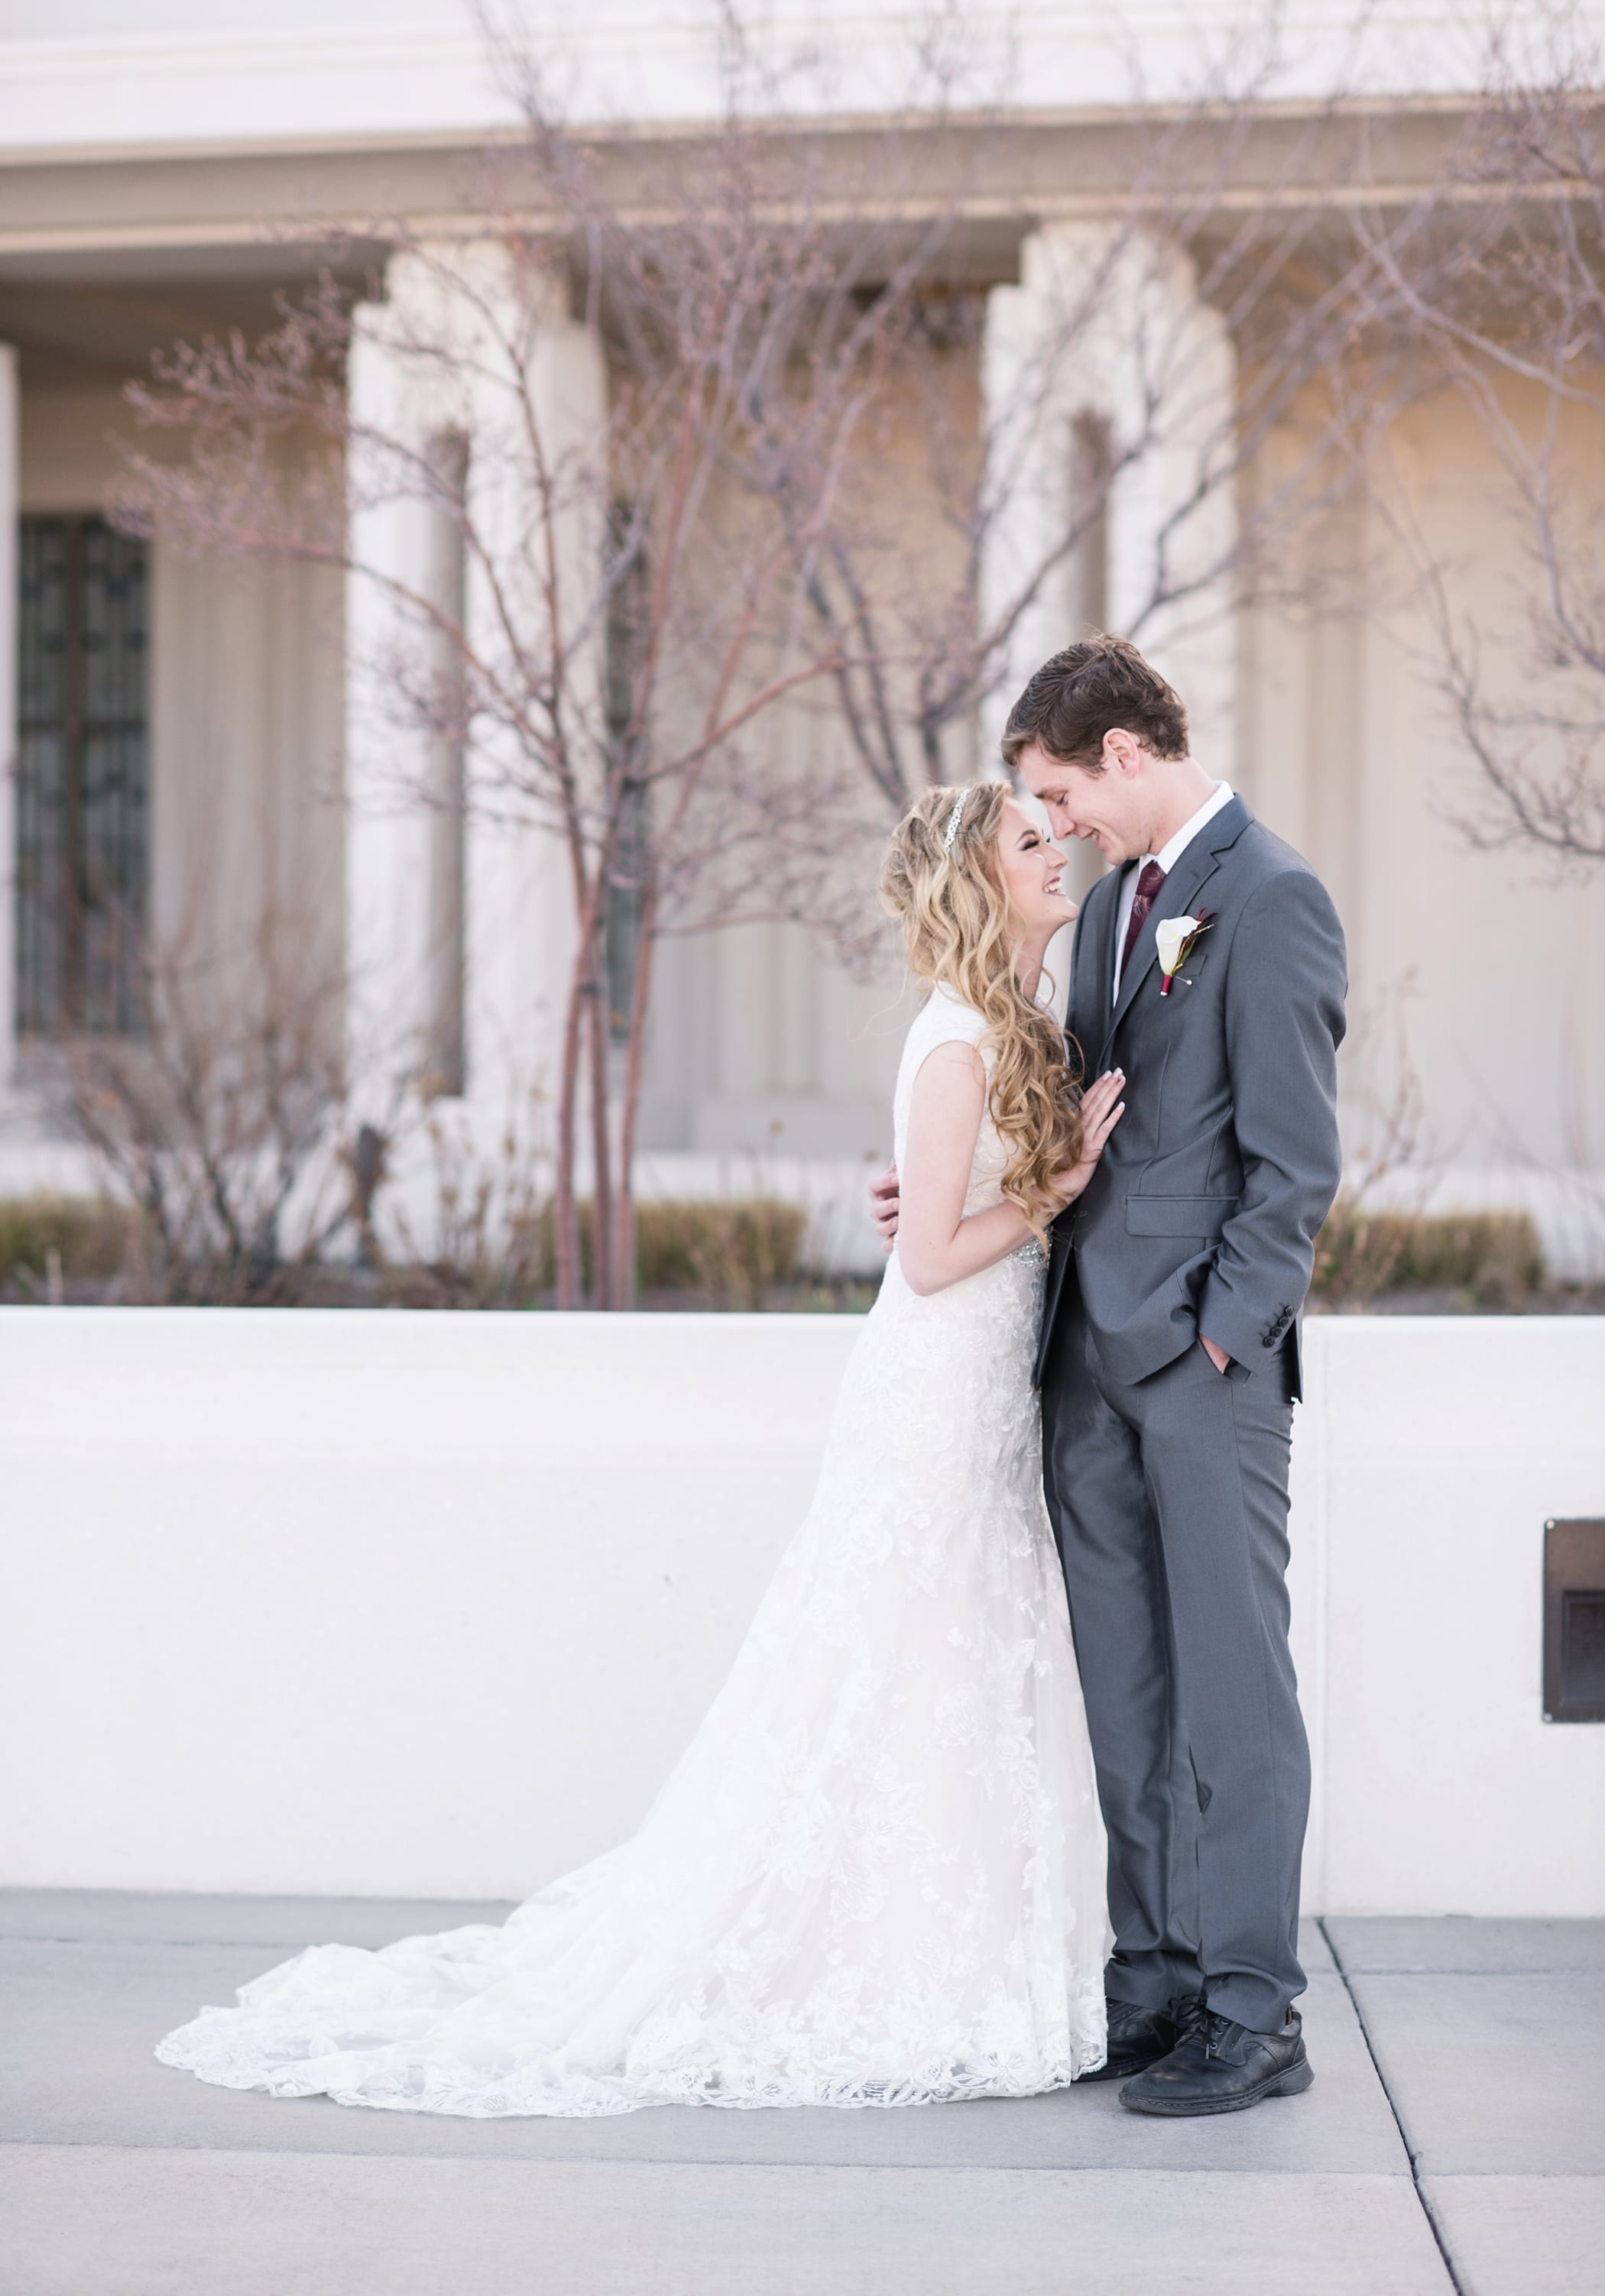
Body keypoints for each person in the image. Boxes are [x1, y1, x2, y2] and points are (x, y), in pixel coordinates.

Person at [156, 780, 1126, 2116]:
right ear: (984, 882)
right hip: (933, 1388)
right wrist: (1050, 1192)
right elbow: (928, 1253)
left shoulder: (1021, 1021)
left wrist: (1019, 1188)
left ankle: (968, 1951)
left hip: (988, 1392)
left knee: (961, 1649)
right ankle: (876, 1963)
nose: (1059, 848)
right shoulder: (958, 1038)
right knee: (892, 1652)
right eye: (1033, 840)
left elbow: (939, 1196)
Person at [873, 635, 1345, 2117]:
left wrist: (1223, 1337)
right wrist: (937, 1198)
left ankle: (1255, 2008)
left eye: (1062, 791)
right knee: (1129, 1697)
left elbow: (1294, 1164)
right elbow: (1074, 1116)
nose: (1058, 821)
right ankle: (1153, 1983)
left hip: (1201, 1372)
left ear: (1126, 756)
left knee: (1232, 1696)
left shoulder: (1271, 900)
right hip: (1079, 1365)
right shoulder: (1117, 913)